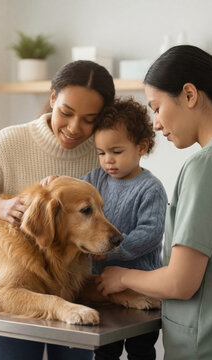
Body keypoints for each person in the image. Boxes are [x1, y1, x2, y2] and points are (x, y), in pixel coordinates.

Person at [97, 45, 212, 360]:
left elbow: (180, 282)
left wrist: (121, 277)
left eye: (156, 108)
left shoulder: (208, 166)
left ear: (189, 95)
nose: (155, 123)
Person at [0, 60, 115, 360]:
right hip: (16, 288)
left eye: (89, 119)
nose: (74, 128)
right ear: (53, 98)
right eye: (66, 113)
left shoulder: (103, 154)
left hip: (74, 287)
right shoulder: (10, 142)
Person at [81, 98, 168, 360]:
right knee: (105, 350)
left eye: (116, 152)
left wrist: (110, 250)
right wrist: (55, 182)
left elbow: (150, 234)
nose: (108, 160)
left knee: (140, 351)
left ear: (141, 147)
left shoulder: (150, 188)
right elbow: (73, 195)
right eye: (101, 152)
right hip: (105, 288)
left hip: (143, 291)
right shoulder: (96, 179)